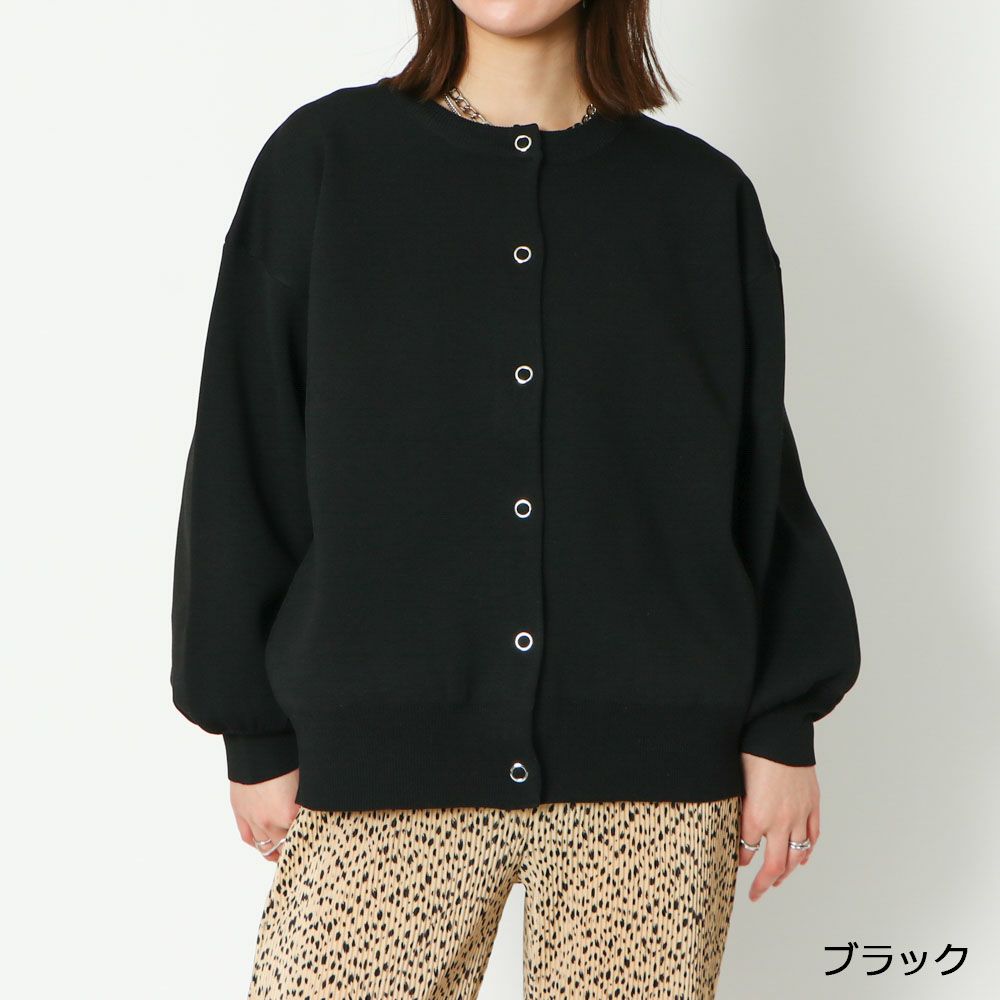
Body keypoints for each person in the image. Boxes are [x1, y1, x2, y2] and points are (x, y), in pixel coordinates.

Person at [170, 1, 861, 996]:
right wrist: (254, 728)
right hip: (379, 759)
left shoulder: (699, 197)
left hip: (653, 780)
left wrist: (782, 724)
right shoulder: (324, 163)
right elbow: (246, 451)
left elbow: (756, 477)